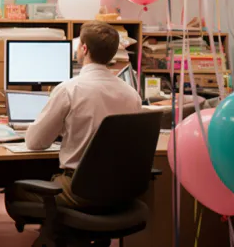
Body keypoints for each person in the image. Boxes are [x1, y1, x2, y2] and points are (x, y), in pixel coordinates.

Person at [13, 21, 142, 208]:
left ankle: (58, 232)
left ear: (84, 48)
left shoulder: (69, 89)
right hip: (121, 190)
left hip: (80, 189)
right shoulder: (132, 94)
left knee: (15, 191)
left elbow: (35, 142)